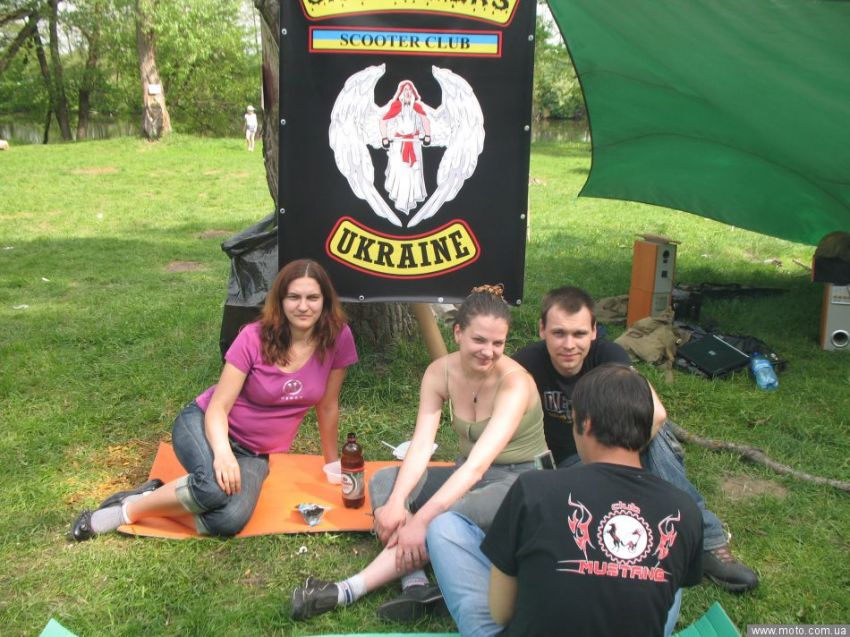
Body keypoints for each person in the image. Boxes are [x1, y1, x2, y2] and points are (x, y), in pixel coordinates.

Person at [291, 285, 548, 622]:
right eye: (479, 340)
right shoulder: (439, 372)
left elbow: (477, 465)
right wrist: (398, 503)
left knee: (445, 518)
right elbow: (422, 444)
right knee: (386, 481)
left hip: (521, 479)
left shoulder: (515, 383)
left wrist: (422, 520)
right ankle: (416, 584)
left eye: (498, 343)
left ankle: (346, 590)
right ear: (458, 333)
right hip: (468, 472)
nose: (489, 351)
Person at [71, 259, 358, 540]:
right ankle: (125, 511)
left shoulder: (337, 337)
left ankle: (156, 495)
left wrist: (332, 463)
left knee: (230, 519)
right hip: (206, 424)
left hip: (254, 453)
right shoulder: (254, 337)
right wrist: (222, 454)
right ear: (280, 301)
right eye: (294, 297)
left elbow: (327, 405)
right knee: (212, 488)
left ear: (325, 301)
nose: (303, 306)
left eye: (312, 297)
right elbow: (218, 407)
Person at [427, 364, 704, 637]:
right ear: (646, 427)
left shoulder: (534, 488)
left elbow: (501, 614)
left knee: (444, 527)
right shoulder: (683, 509)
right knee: (667, 565)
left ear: (586, 423)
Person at [512, 286, 758, 592]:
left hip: (622, 447)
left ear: (594, 332)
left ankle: (708, 540)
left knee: (655, 436)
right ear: (542, 330)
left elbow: (656, 413)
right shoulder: (525, 364)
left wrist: (620, 460)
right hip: (571, 463)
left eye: (579, 334)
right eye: (558, 333)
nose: (569, 345)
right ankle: (657, 530)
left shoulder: (608, 356)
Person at [379, 80, 432, 215]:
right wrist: (385, 138)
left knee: (413, 173)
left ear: (413, 93)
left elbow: (425, 120)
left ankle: (409, 201)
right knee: (400, 173)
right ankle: (401, 202)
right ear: (401, 94)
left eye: (410, 90)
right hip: (399, 146)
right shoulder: (396, 106)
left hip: (414, 144)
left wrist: (427, 135)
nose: (408, 93)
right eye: (405, 90)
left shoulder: (417, 107)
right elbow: (383, 121)